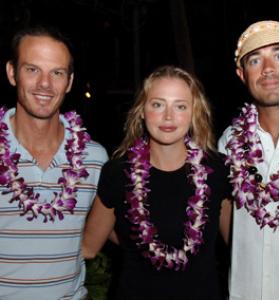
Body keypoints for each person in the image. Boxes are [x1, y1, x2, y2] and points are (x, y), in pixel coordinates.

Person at [82, 65, 232, 300]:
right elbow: (89, 246)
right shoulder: (117, 172)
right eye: (158, 104)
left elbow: (239, 243)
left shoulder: (218, 170)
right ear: (142, 110)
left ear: (194, 112)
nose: (168, 117)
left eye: (180, 106)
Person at [0, 25, 108, 299]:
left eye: (57, 73)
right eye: (32, 69)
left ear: (69, 82)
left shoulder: (94, 159)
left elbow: (104, 236)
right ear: (12, 73)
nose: (45, 84)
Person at [218, 20, 279, 300]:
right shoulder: (228, 141)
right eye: (255, 60)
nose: (268, 69)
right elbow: (224, 211)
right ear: (242, 74)